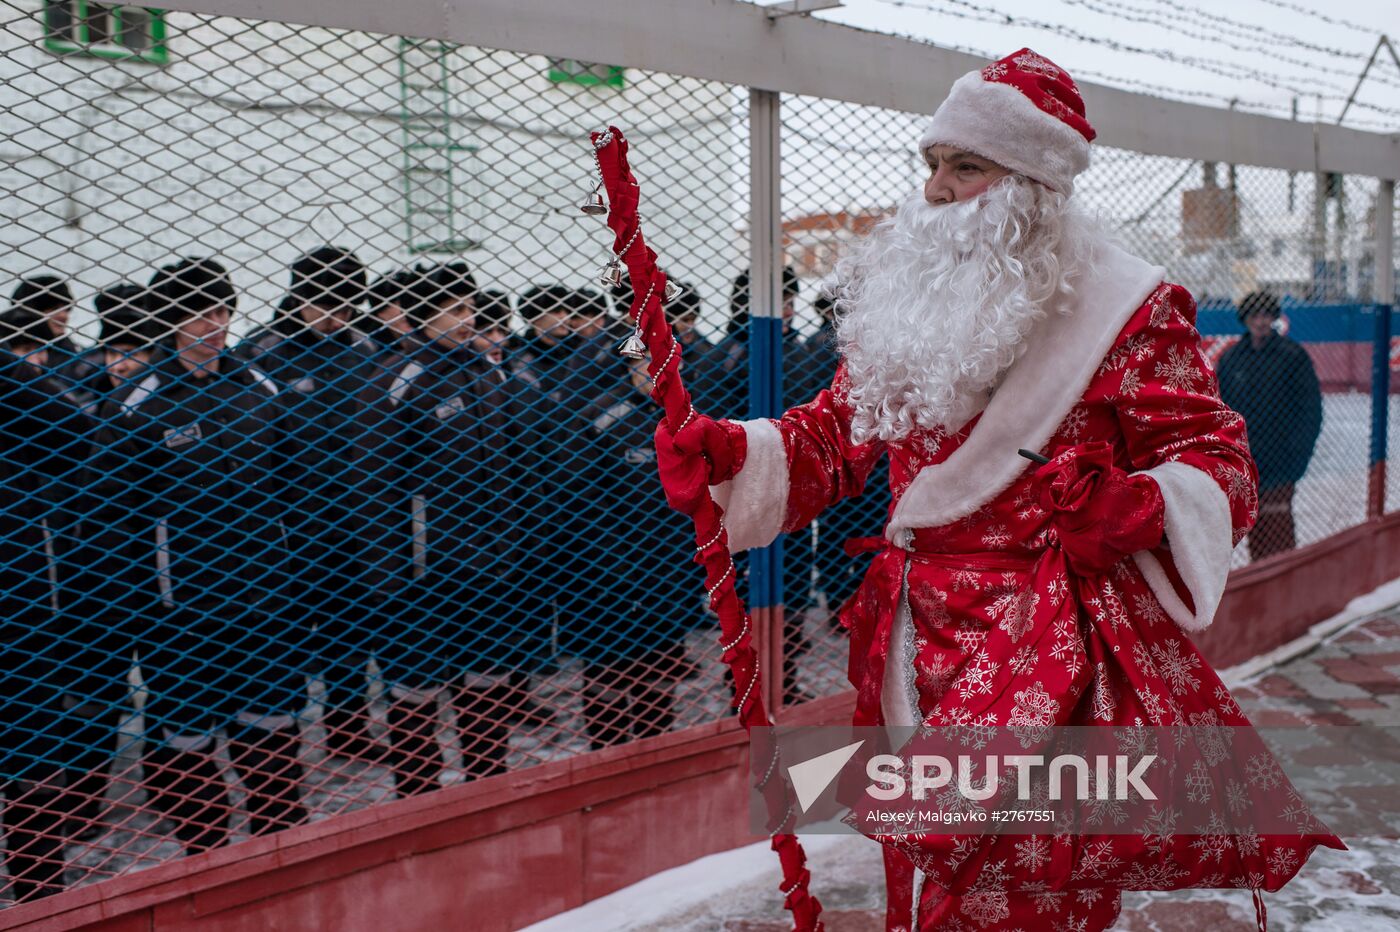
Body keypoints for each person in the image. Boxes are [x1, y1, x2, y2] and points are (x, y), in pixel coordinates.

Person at [656, 49, 1340, 929]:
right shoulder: (912, 303)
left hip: (1046, 657)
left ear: (1032, 185)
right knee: (938, 877)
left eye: (965, 167)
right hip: (912, 649)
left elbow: (1217, 459)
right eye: (932, 163)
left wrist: (1143, 506)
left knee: (1027, 891)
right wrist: (737, 457)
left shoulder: (1129, 310)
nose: (936, 187)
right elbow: (837, 434)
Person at [87, 257, 311, 853]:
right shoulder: (137, 403)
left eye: (219, 310)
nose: (212, 324)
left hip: (266, 600)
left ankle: (276, 843)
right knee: (188, 743)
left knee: (272, 733)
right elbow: (111, 520)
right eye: (195, 313)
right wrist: (129, 613)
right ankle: (206, 856)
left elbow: (295, 490)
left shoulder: (261, 388)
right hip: (179, 609)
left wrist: (299, 578)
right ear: (169, 319)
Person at [372, 262, 548, 795]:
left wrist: (514, 543)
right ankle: (419, 796)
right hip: (423, 573)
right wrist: (390, 573)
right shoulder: (402, 379)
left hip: (489, 564)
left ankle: (484, 784)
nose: (468, 319)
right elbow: (375, 482)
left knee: (487, 684)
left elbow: (513, 466)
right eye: (454, 310)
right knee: (417, 692)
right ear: (424, 317)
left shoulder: (487, 372)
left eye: (469, 308)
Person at [236, 247, 389, 762]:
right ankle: (280, 739)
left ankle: (347, 726)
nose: (334, 314)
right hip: (287, 520)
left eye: (346, 305)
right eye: (323, 302)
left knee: (353, 621)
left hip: (356, 513)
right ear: (298, 296)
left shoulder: (366, 349)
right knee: (289, 630)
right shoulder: (260, 354)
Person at [0, 350, 126, 901]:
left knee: (31, 729)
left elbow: (80, 438)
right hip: (18, 575)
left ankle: (39, 884)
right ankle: (38, 884)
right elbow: (77, 436)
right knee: (30, 729)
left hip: (17, 580)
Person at [568, 352, 699, 748]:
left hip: (671, 567)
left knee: (661, 670)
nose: (662, 377)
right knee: (609, 671)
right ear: (628, 369)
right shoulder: (601, 418)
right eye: (650, 368)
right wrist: (615, 569)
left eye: (671, 368)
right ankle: (607, 753)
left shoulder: (689, 418)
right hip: (611, 576)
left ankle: (653, 746)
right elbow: (583, 502)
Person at [717, 266, 815, 703]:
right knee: (744, 586)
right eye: (779, 300)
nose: (788, 309)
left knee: (791, 585)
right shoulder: (730, 354)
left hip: (793, 490)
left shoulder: (799, 353)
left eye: (790, 299)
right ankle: (743, 677)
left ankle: (785, 673)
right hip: (745, 493)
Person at [1215, 290, 1323, 560]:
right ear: (1246, 319)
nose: (1260, 322)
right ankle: (1262, 581)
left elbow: (1310, 409)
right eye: (1255, 315)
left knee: (1278, 528)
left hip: (1281, 462)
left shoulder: (1292, 356)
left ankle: (1286, 585)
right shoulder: (1231, 359)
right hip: (1244, 461)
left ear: (1274, 318)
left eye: (1266, 315)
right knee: (1253, 528)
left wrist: (1297, 457)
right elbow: (1220, 409)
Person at [8, 276, 100, 402]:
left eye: (66, 308)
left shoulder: (83, 358)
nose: (63, 315)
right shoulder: (8, 354)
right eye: (53, 309)